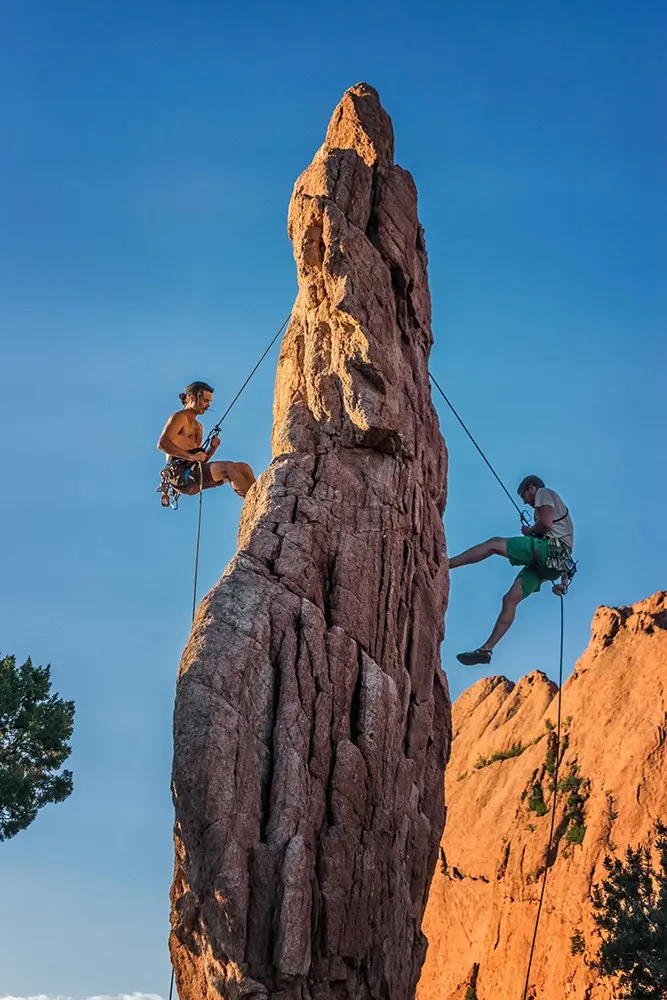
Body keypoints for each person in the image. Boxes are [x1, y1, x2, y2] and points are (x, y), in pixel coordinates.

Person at [450, 475, 576, 666]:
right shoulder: (562, 523)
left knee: (494, 544)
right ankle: (487, 649)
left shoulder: (543, 493)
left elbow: (546, 523)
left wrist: (530, 532)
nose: (525, 502)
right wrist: (563, 585)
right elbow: (567, 557)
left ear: (531, 488)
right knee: (510, 599)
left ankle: (448, 563)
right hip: (554, 564)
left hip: (549, 550)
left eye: (524, 496)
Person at [157, 381, 256, 502]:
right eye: (205, 400)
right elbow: (162, 444)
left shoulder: (199, 427)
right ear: (192, 397)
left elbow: (201, 460)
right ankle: (253, 503)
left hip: (193, 471)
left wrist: (212, 448)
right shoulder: (180, 417)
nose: (208, 405)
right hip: (180, 473)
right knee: (229, 468)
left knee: (243, 468)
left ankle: (260, 499)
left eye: (209, 401)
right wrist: (191, 456)